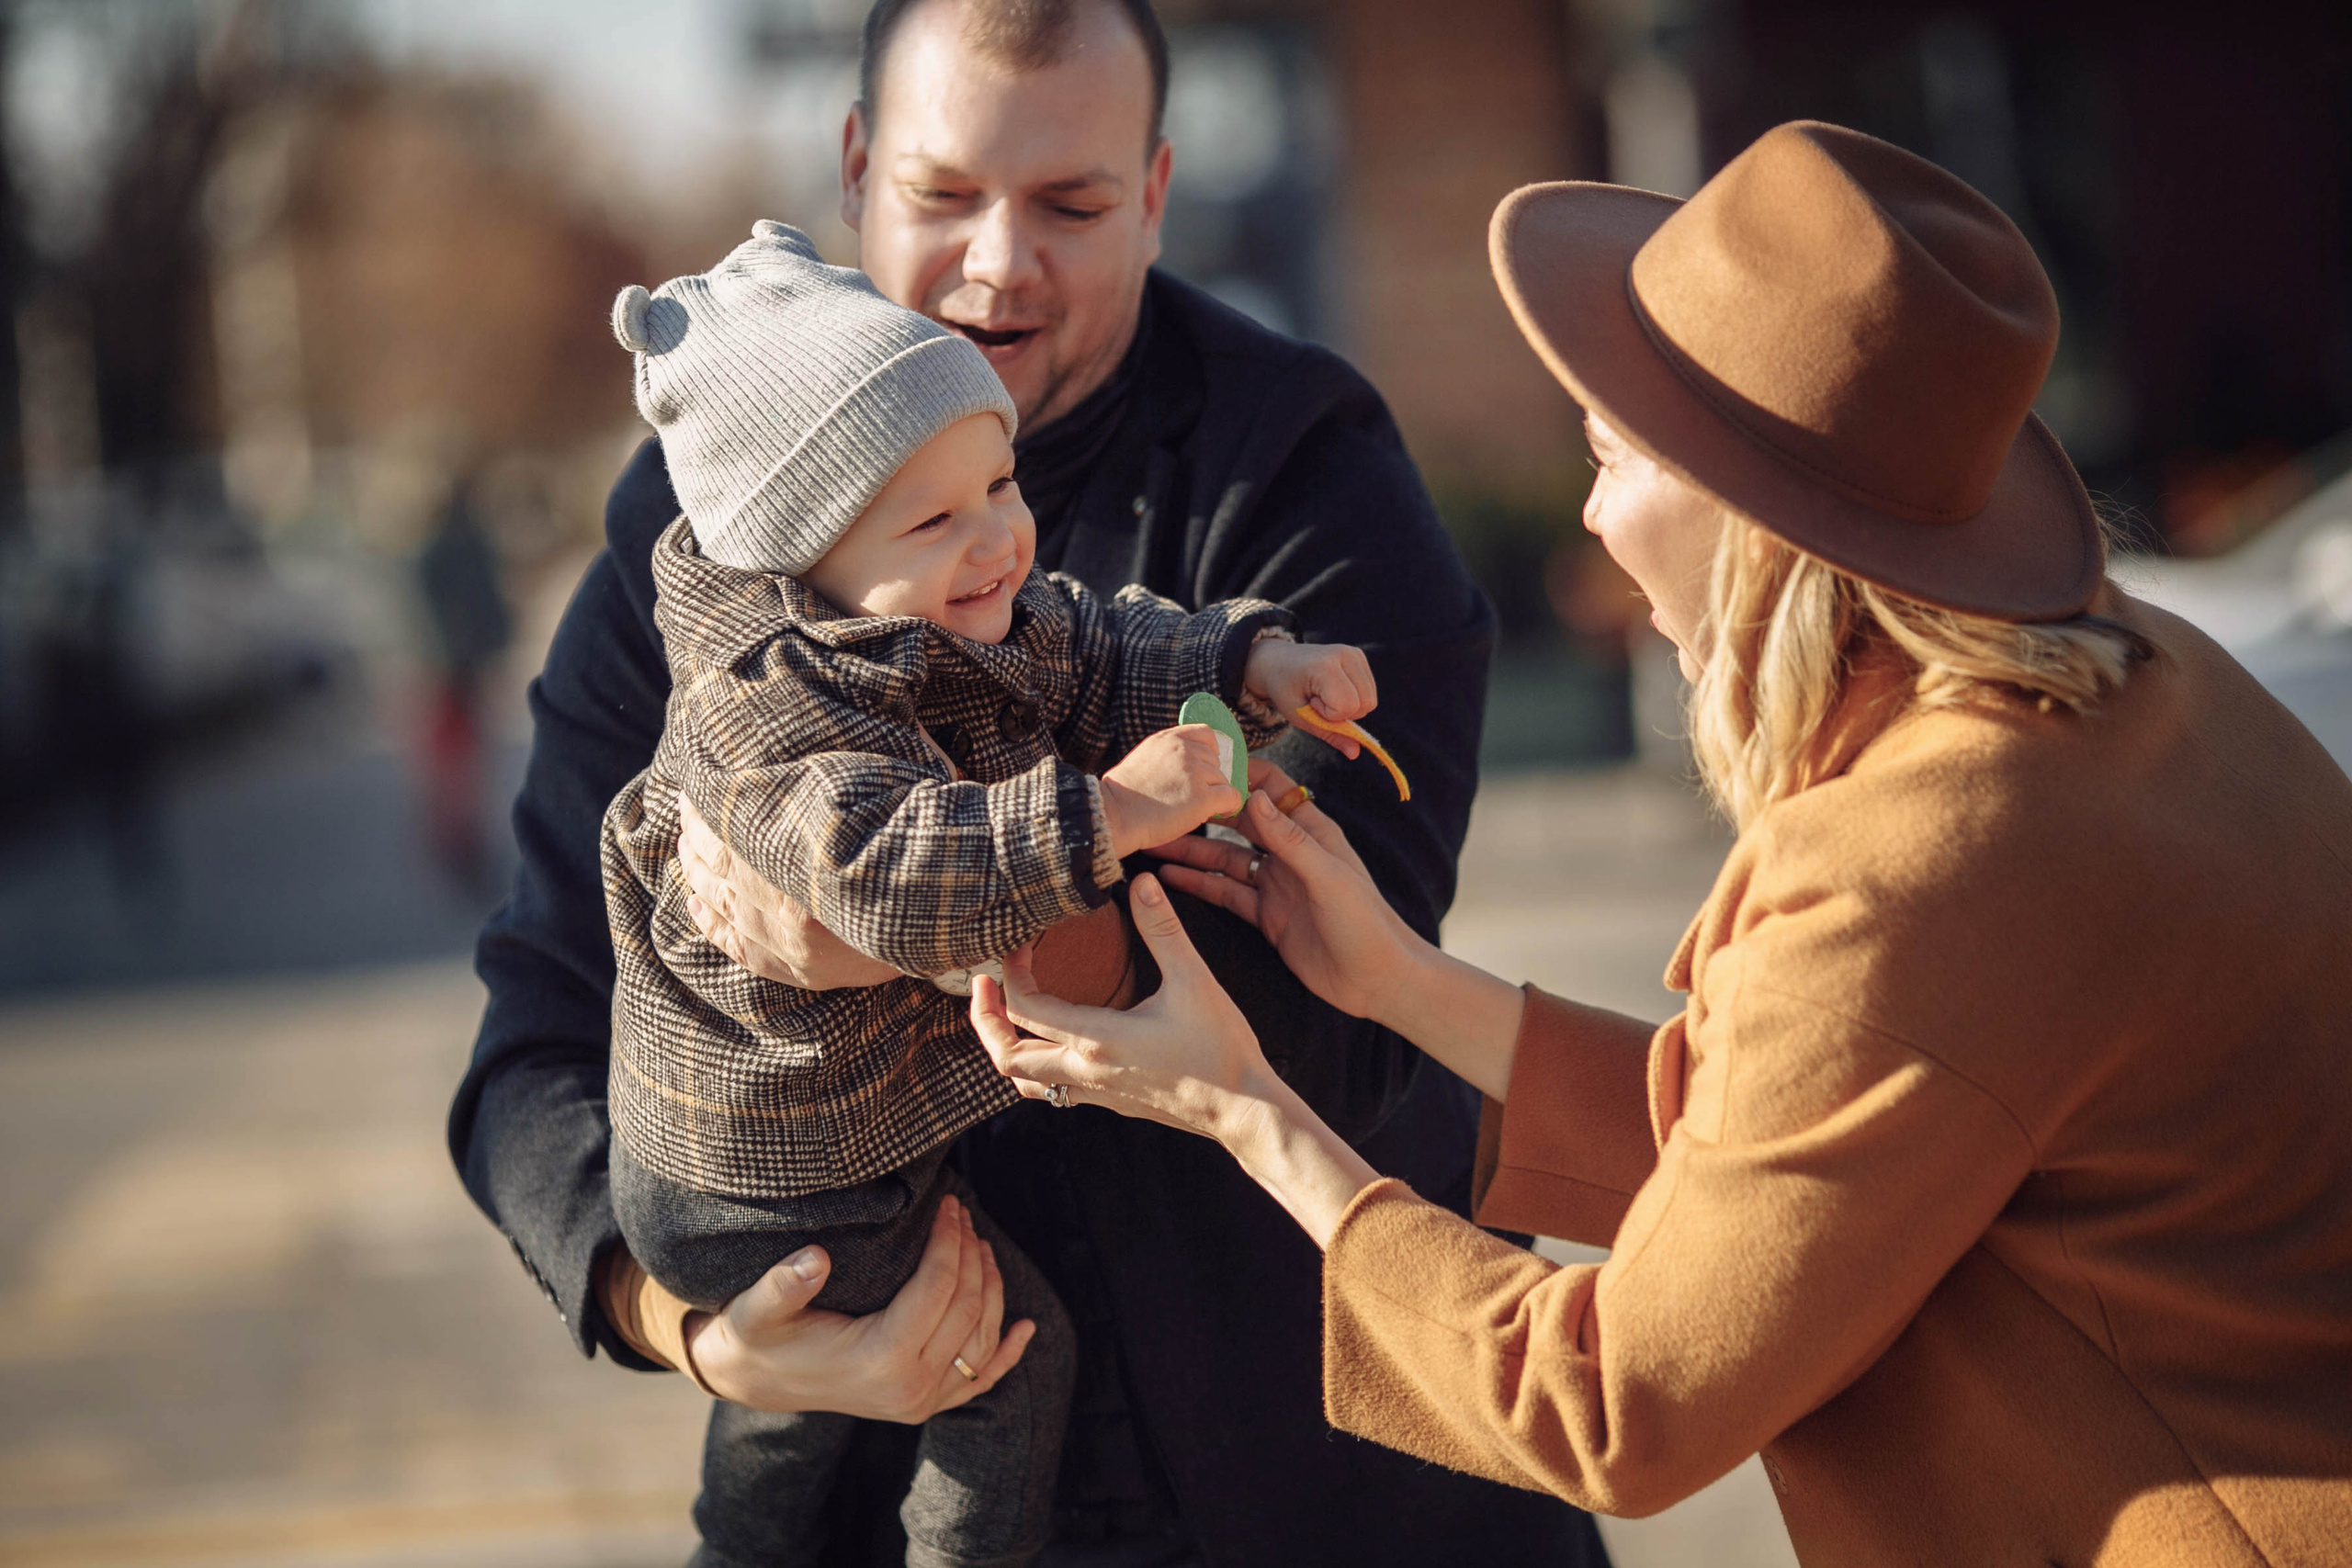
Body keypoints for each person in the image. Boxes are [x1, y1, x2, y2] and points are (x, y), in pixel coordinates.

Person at [968, 120, 2352, 1566]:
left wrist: (1247, 1107)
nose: (1587, 514)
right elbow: (1808, 1164)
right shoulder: (2149, 680)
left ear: (1756, 524)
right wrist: (1399, 983)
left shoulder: (1915, 861)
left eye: (1611, 454)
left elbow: (1612, 1402)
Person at [447, 0, 1606, 1562]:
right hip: (882, 1472)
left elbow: (1338, 1008)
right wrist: (702, 1329)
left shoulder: (1309, 478)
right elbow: (538, 1028)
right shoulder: (707, 524)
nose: (1001, 264)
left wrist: (864, 924)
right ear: (857, 169)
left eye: (1069, 204)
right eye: (943, 196)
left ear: (1157, 190)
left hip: (1319, 1464)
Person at [602, 219, 1377, 1568]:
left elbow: (1094, 646)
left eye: (1002, 485)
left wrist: (1256, 658)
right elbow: (910, 878)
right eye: (937, 518)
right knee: (1009, 1364)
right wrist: (1122, 808)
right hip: (764, 1177)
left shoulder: (941, 612)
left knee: (805, 1406)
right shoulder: (770, 713)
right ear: (805, 559)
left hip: (827, 1147)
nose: (1000, 541)